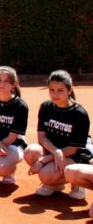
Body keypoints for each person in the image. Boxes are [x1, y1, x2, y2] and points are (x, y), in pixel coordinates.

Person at [24, 70, 91, 200]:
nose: (55, 94)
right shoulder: (46, 107)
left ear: (69, 90)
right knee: (31, 152)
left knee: (45, 175)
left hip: (74, 155)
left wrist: (45, 160)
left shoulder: (79, 113)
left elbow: (73, 149)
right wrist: (55, 152)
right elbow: (42, 138)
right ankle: (54, 185)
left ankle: (78, 183)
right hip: (53, 150)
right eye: (52, 90)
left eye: (60, 90)